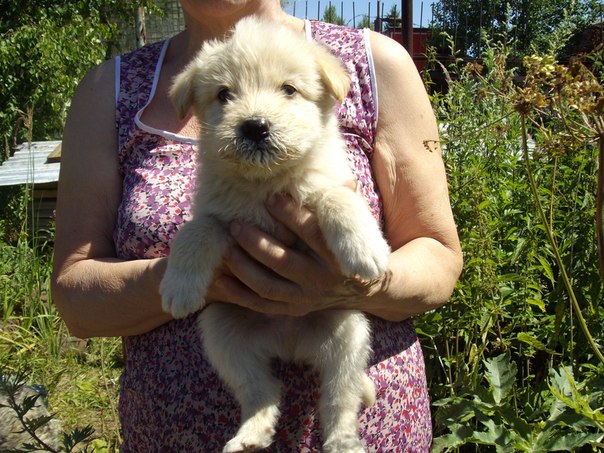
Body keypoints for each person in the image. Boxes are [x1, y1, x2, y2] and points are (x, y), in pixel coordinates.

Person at [51, 0, 463, 451]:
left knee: (347, 324)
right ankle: (258, 402)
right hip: (178, 425)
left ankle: (341, 426)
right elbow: (81, 289)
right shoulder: (108, 90)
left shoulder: (370, 63)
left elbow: (434, 253)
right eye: (225, 96)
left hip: (370, 401)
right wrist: (191, 275)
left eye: (288, 89)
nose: (254, 115)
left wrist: (354, 283)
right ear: (195, 106)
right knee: (219, 326)